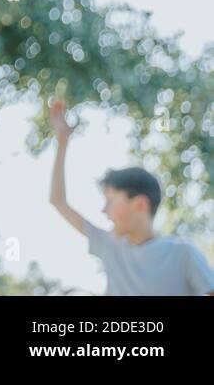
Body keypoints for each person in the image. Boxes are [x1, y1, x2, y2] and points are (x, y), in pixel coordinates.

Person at [49, 98, 214, 295]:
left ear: (139, 204)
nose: (104, 210)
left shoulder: (183, 254)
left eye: (110, 201)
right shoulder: (111, 246)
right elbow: (58, 201)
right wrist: (62, 141)